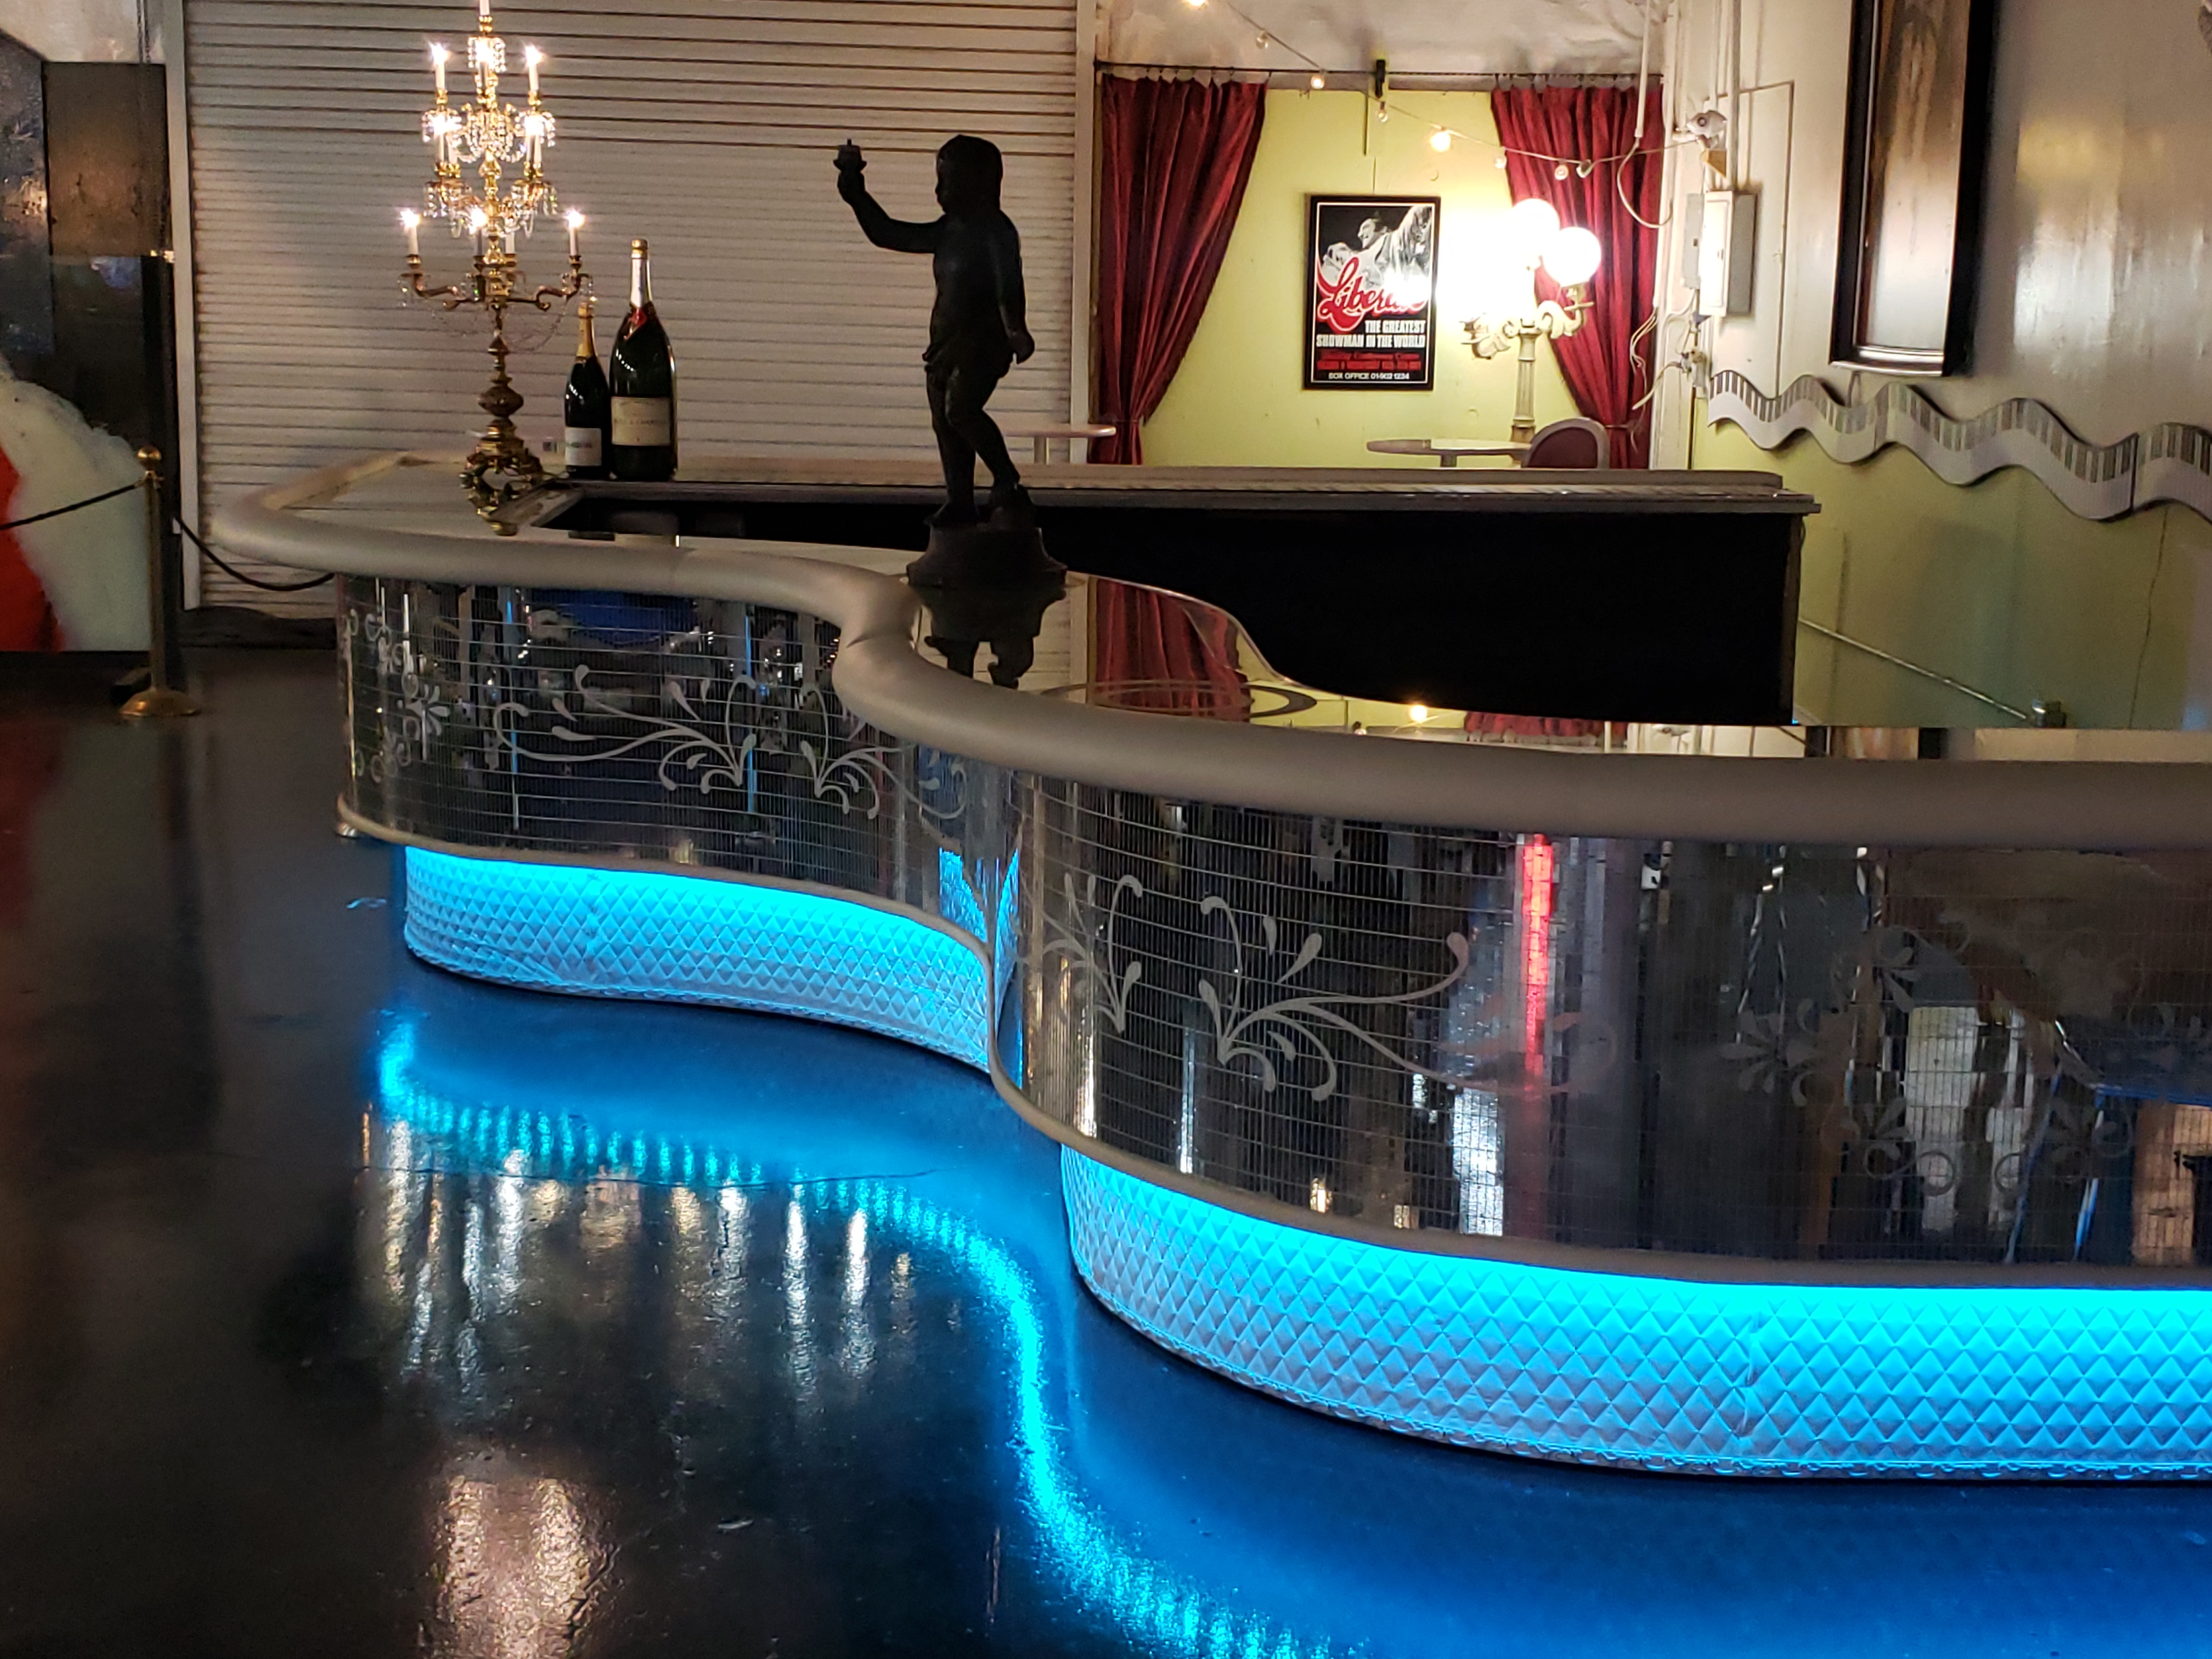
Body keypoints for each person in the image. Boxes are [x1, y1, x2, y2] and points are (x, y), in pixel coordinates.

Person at [835, 134, 1035, 528]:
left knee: (961, 409)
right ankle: (960, 500)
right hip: (945, 343)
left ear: (978, 184)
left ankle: (1006, 478)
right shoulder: (948, 231)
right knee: (944, 423)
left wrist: (1016, 330)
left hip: (982, 342)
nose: (938, 192)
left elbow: (1008, 284)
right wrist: (857, 195)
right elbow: (889, 233)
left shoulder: (996, 231)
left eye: (948, 182)